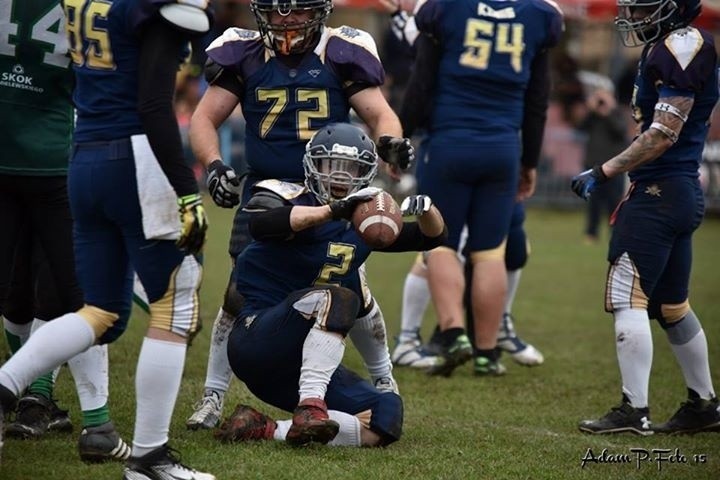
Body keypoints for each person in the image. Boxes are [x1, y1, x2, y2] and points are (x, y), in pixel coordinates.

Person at [0, 1, 212, 477]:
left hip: (84, 157)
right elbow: (156, 106)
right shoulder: (151, 9)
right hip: (135, 158)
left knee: (99, 310)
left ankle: (6, 383)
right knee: (174, 305)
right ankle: (149, 458)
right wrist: (185, 191)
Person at [186, 0, 414, 429]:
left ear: (319, 10)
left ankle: (385, 381)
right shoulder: (245, 52)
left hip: (332, 189)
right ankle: (212, 397)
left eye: (295, 9)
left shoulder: (339, 51)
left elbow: (381, 114)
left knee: (350, 286)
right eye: (276, 10)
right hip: (268, 193)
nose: (285, 19)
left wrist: (390, 143)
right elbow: (203, 118)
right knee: (241, 292)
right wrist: (215, 164)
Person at [212, 123, 445, 447]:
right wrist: (329, 212)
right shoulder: (287, 195)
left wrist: (426, 209)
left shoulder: (362, 222)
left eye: (351, 169)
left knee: (386, 415)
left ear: (365, 174)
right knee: (338, 297)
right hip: (257, 337)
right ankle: (310, 406)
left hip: (304, 362)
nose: (340, 177)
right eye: (332, 166)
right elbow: (261, 223)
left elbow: (433, 237)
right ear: (312, 166)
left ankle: (263, 427)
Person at [388, 0, 562, 376]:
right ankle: (488, 354)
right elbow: (537, 101)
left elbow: (421, 84)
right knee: (489, 253)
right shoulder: (540, 15)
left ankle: (453, 333)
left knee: (440, 243)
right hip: (503, 149)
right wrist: (528, 162)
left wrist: (399, 140)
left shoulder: (444, 9)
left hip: (450, 144)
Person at [572, 0, 720, 435]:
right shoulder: (675, 45)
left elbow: (663, 133)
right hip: (676, 190)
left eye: (642, 9)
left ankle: (634, 409)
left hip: (660, 193)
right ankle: (705, 404)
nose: (633, 17)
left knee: (627, 298)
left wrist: (605, 169)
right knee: (671, 305)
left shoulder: (682, 44)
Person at [0, 0, 130, 462]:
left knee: (35, 295)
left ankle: (38, 396)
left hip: (43, 160)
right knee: (84, 300)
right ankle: (92, 422)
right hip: (60, 161)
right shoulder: (88, 8)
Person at [575, 73, 628, 244]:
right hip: (594, 166)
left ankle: (615, 233)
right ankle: (591, 234)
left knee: (614, 203)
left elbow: (620, 131)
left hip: (614, 167)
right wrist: (591, 110)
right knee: (594, 203)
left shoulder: (617, 112)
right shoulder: (594, 116)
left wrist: (609, 112)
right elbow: (580, 128)